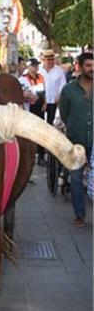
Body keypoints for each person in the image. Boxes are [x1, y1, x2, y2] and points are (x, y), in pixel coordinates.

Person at [59, 52, 93, 227]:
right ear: (79, 66)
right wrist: (74, 126)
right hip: (75, 140)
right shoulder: (69, 90)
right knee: (76, 179)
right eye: (88, 65)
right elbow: (64, 114)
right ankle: (79, 214)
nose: (92, 69)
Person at [39, 48, 67, 126]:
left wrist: (59, 95)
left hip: (53, 100)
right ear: (43, 60)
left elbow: (63, 85)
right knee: (39, 121)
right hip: (41, 100)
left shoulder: (59, 70)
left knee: (50, 122)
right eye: (47, 60)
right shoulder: (39, 70)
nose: (50, 62)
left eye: (51, 59)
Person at [26, 58, 46, 162]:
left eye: (37, 65)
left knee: (41, 130)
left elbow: (44, 91)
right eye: (34, 65)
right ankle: (32, 155)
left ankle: (41, 155)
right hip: (31, 108)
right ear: (28, 67)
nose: (36, 67)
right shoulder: (25, 79)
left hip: (40, 107)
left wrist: (45, 103)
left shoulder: (40, 77)